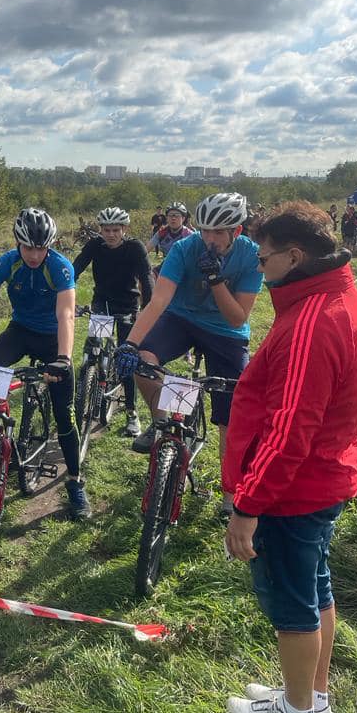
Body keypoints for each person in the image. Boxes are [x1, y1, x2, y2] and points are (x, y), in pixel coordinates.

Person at [223, 202, 357, 713]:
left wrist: (247, 506)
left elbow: (289, 432)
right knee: (315, 587)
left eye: (264, 259)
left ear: (295, 255)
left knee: (292, 602)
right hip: (324, 477)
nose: (260, 269)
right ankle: (312, 697)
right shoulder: (340, 299)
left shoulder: (312, 322)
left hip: (294, 491)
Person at [115, 193, 263, 519]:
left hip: (226, 331)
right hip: (181, 319)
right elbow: (159, 301)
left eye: (218, 232)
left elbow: (237, 317)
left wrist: (216, 280)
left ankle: (230, 495)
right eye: (205, 230)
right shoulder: (185, 248)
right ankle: (161, 422)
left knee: (232, 417)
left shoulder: (251, 256)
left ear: (236, 231)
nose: (209, 239)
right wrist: (130, 344)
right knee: (142, 362)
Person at [0, 208, 90, 520]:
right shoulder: (7, 262)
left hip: (53, 338)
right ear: (17, 243)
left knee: (65, 415)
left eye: (41, 248)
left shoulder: (60, 267)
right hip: (21, 331)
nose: (34, 255)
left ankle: (75, 482)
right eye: (28, 248)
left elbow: (66, 314)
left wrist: (63, 358)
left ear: (49, 246)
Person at [72, 207, 153, 437]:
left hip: (128, 306)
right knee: (92, 350)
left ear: (124, 229)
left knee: (126, 360)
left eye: (116, 230)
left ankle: (131, 412)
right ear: (100, 230)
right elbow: (75, 269)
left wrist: (146, 309)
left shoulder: (135, 247)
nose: (111, 234)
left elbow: (147, 278)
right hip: (102, 305)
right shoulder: (95, 245)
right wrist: (67, 294)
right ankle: (85, 390)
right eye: (106, 230)